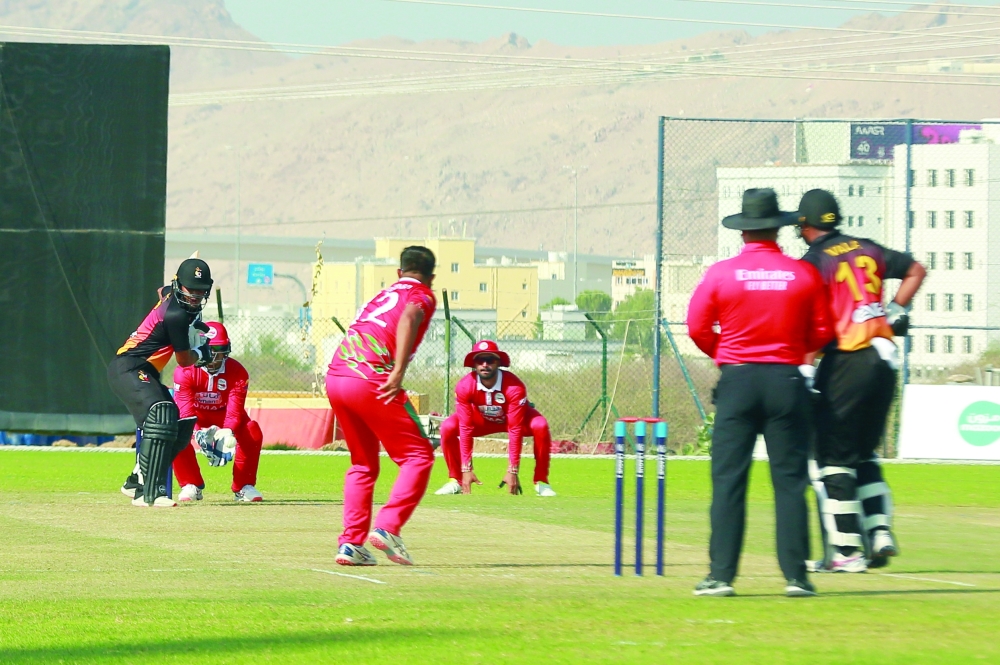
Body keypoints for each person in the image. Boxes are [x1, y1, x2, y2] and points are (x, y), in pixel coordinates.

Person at [686, 188, 834, 598]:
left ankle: (720, 576)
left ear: (744, 232)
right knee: (789, 481)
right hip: (787, 381)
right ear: (778, 230)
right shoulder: (802, 274)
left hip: (738, 381)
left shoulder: (720, 273)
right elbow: (823, 331)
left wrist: (726, 355)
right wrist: (792, 352)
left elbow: (697, 326)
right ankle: (797, 577)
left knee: (729, 480)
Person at [797, 189, 926, 573]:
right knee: (864, 453)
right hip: (884, 358)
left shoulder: (814, 260)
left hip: (846, 360)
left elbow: (814, 324)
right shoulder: (867, 247)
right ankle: (881, 531)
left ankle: (847, 551)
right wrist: (894, 310)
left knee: (832, 458)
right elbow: (916, 269)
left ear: (805, 226)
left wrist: (804, 371)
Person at [326, 246, 437, 567]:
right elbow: (410, 317)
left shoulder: (382, 294)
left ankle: (351, 544)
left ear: (399, 273)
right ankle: (388, 526)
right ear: (430, 278)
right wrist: (399, 370)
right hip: (370, 378)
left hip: (337, 377)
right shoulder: (423, 295)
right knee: (418, 455)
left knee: (362, 464)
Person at [109, 258, 215, 507]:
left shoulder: (173, 296)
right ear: (179, 285)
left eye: (201, 291)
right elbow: (184, 360)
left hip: (144, 371)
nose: (196, 296)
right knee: (162, 413)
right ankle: (148, 494)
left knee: (178, 424)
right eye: (191, 290)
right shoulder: (176, 314)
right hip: (129, 367)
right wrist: (203, 353)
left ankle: (135, 480)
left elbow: (162, 291)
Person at [433, 340, 556, 497]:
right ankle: (455, 480)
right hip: (482, 422)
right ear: (474, 364)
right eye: (480, 360)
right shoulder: (464, 386)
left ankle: (541, 481)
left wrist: (513, 470)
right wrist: (466, 469)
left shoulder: (514, 386)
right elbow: (465, 427)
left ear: (498, 363)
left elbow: (515, 429)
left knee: (540, 425)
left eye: (490, 360)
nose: (485, 364)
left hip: (514, 421)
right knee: (448, 427)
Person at [170, 321, 265, 503]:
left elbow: (235, 409)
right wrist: (197, 433)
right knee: (175, 432)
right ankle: (191, 484)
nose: (213, 357)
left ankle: (244, 486)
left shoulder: (238, 372)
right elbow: (184, 409)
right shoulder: (184, 370)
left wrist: (227, 431)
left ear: (226, 350)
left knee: (252, 432)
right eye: (208, 351)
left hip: (224, 416)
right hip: (195, 417)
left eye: (218, 350)